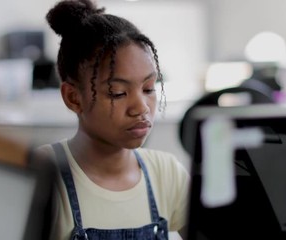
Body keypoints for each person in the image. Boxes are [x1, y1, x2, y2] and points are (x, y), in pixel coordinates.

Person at [36, 0, 190, 239]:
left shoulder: (167, 173)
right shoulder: (43, 175)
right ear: (73, 98)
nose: (141, 108)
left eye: (149, 88)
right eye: (118, 93)